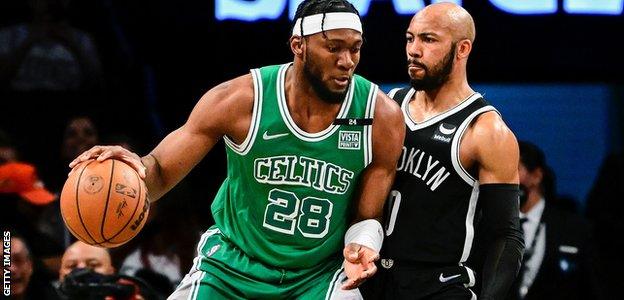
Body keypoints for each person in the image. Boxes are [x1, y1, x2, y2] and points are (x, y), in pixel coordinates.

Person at [69, 0, 405, 298]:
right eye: (333, 48)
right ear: (298, 45)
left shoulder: (381, 116)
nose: (347, 61)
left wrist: (365, 243)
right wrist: (133, 170)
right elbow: (159, 172)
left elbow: (366, 216)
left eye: (355, 48)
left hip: (317, 276)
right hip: (232, 267)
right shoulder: (241, 100)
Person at [362, 3, 524, 299]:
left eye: (429, 39)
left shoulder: (485, 129)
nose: (414, 50)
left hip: (439, 286)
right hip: (374, 278)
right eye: (410, 38)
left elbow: (506, 236)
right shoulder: (389, 106)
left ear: (462, 49)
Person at [506, 141, 603, 299]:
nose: (505, 179)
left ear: (536, 176)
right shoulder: (488, 227)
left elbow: (592, 288)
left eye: (513, 170)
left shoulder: (574, 229)